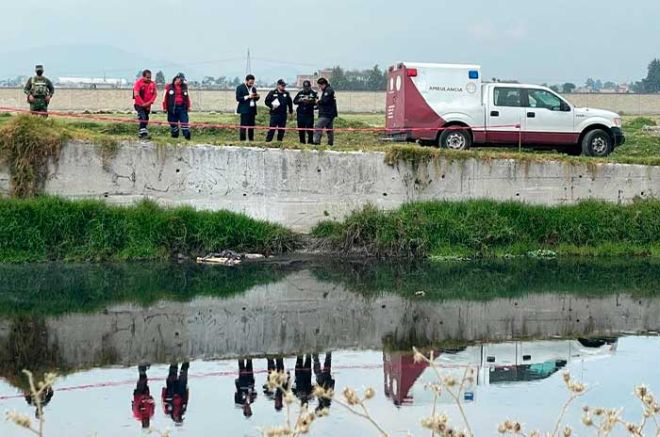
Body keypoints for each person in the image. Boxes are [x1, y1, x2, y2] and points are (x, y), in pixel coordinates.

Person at [162, 73, 192, 140]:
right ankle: (175, 135)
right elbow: (164, 97)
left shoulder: (184, 86)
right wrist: (164, 107)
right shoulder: (168, 86)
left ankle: (187, 136)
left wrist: (189, 106)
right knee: (173, 124)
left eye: (182, 81)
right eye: (180, 80)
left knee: (184, 123)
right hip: (172, 108)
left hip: (182, 107)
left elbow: (187, 97)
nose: (181, 82)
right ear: (176, 79)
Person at [133, 70, 158, 139]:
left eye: (150, 77)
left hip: (148, 105)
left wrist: (150, 102)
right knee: (143, 117)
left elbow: (155, 94)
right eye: (147, 77)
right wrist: (142, 104)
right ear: (143, 77)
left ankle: (142, 131)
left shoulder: (153, 84)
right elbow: (136, 95)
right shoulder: (138, 83)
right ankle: (143, 134)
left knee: (146, 118)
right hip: (139, 105)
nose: (149, 79)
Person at [313, 78, 338, 146]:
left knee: (318, 126)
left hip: (326, 114)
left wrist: (318, 101)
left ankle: (316, 143)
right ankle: (330, 144)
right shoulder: (328, 90)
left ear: (323, 84)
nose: (320, 88)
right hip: (330, 114)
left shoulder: (328, 90)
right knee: (329, 129)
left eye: (320, 86)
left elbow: (325, 101)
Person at [236, 75, 260, 142]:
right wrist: (247, 97)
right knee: (243, 127)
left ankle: (251, 140)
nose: (251, 84)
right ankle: (242, 140)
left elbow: (255, 98)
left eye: (252, 83)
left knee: (251, 126)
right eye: (250, 83)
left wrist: (256, 97)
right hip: (244, 110)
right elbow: (238, 98)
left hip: (252, 110)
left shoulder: (253, 88)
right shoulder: (240, 87)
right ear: (246, 81)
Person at [132, 365, 155, 430]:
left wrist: (142, 398)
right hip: (146, 395)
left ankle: (141, 370)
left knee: (141, 382)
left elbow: (136, 404)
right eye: (147, 423)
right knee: (145, 382)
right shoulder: (151, 414)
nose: (146, 422)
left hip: (138, 395)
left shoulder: (137, 415)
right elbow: (152, 405)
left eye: (145, 423)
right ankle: (143, 370)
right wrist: (150, 399)